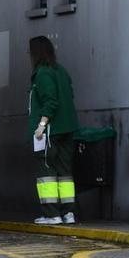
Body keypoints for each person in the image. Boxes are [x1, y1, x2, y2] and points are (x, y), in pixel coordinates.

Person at [28, 36, 80, 225]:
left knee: (46, 172)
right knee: (65, 173)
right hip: (68, 128)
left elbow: (51, 101)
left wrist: (41, 126)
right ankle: (68, 213)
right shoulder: (61, 71)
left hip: (50, 132)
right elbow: (68, 96)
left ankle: (52, 214)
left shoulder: (42, 73)